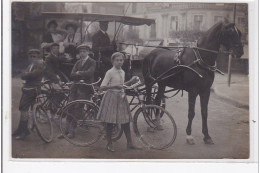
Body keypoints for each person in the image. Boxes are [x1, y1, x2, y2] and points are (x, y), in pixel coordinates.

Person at [96, 52, 140, 152]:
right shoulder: (110, 72)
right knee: (110, 122)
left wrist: (131, 81)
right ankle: (109, 143)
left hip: (121, 97)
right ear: (113, 61)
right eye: (117, 60)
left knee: (125, 121)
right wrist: (114, 86)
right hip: (111, 97)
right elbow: (102, 87)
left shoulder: (122, 72)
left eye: (121, 60)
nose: (119, 62)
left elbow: (122, 85)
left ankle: (130, 143)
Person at [58, 44, 96, 139]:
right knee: (70, 107)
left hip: (85, 88)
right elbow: (72, 74)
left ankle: (72, 131)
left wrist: (78, 73)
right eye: (80, 52)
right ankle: (65, 131)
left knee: (78, 108)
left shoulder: (92, 62)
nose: (82, 53)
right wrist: (80, 74)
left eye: (84, 51)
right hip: (75, 87)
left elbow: (90, 73)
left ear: (88, 52)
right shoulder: (78, 62)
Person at [12, 49, 46, 140]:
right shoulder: (31, 65)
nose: (32, 58)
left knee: (23, 108)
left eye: (34, 56)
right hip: (28, 88)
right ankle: (20, 129)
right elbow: (23, 75)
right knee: (23, 108)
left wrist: (26, 74)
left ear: (38, 56)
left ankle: (24, 131)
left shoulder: (40, 64)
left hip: (33, 88)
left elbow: (33, 75)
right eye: (30, 56)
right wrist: (26, 74)